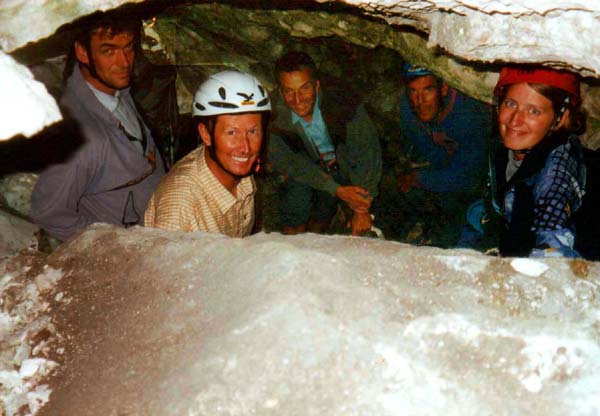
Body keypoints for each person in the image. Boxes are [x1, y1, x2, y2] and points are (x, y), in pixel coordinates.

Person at [30, 11, 165, 242]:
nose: (124, 62)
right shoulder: (85, 137)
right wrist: (111, 246)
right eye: (109, 51)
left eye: (129, 47)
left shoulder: (113, 91)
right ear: (82, 52)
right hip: (133, 253)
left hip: (158, 228)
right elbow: (48, 212)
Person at [144, 70, 271, 237]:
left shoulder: (238, 169)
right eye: (232, 133)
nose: (245, 148)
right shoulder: (180, 206)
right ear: (205, 135)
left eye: (253, 132)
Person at [268, 51, 382, 236]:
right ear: (281, 92)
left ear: (317, 86)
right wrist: (335, 189)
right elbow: (289, 162)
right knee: (296, 199)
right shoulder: (273, 116)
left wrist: (361, 209)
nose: (297, 100)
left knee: (329, 213)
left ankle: (320, 232)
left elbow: (366, 153)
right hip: (308, 168)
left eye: (304, 88)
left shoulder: (343, 102)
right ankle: (291, 245)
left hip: (345, 165)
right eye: (289, 92)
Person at [382, 64, 493, 247]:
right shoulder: (408, 108)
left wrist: (420, 178)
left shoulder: (470, 113)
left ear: (443, 88)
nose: (420, 101)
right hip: (448, 166)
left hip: (479, 175)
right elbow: (427, 148)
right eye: (413, 91)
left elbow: (468, 175)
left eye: (428, 90)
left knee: (457, 218)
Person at [482, 66, 587, 258]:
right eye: (511, 104)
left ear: (560, 118)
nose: (515, 121)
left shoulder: (556, 173)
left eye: (533, 111)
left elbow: (554, 249)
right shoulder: (504, 149)